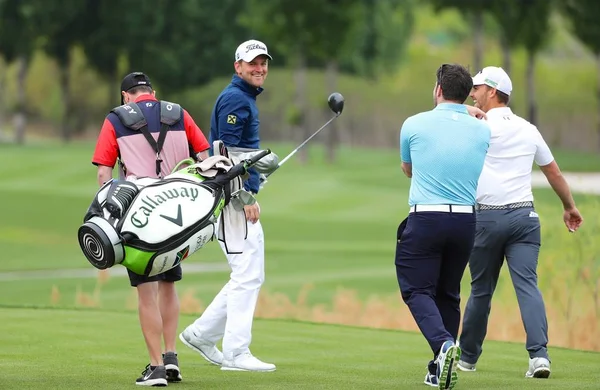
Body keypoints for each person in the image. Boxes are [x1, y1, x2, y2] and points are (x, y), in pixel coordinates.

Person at [457, 66, 584, 379]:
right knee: (527, 285)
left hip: (486, 218)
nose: (473, 93)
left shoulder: (476, 125)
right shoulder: (529, 129)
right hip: (524, 218)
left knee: (481, 290)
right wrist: (569, 206)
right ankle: (539, 357)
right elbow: (552, 172)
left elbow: (445, 115)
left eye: (478, 88)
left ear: (494, 91)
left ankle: (468, 359)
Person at [92, 71, 210, 386]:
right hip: (178, 215)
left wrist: (108, 216)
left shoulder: (116, 118)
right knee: (169, 285)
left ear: (125, 96)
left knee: (147, 293)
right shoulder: (178, 113)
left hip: (140, 220)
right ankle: (172, 359)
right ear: (152, 93)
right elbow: (205, 157)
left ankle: (156, 367)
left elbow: (105, 173)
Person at [179, 39, 276, 372]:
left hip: (236, 195)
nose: (259, 68)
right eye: (252, 63)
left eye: (263, 63)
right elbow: (224, 154)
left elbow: (242, 155)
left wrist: (259, 172)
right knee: (247, 275)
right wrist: (245, 194)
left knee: (248, 274)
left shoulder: (244, 97)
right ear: (238, 66)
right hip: (233, 201)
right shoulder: (236, 98)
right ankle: (236, 352)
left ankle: (202, 334)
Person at [396, 63, 491, 390]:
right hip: (466, 221)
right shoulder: (482, 129)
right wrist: (466, 108)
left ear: (438, 89)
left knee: (416, 289)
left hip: (427, 218)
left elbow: (407, 169)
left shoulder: (413, 124)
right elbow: (457, 113)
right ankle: (439, 368)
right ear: (466, 94)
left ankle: (444, 345)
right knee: (448, 294)